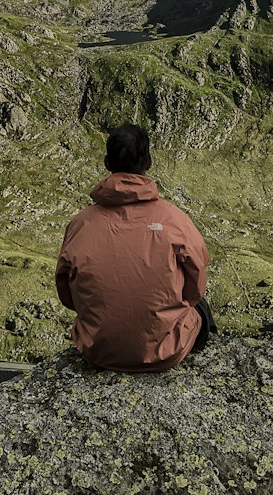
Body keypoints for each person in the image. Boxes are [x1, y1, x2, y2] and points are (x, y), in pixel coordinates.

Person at [55, 122, 215, 372]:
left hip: (98, 350)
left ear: (107, 164)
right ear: (148, 161)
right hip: (167, 351)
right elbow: (195, 289)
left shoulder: (80, 223)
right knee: (202, 308)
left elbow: (67, 294)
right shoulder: (174, 218)